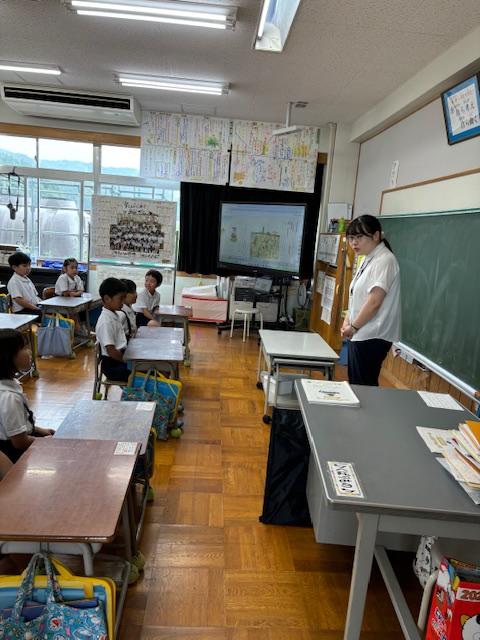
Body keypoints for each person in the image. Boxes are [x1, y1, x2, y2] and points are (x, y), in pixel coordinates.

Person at [341, 214, 401, 386]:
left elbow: (374, 302)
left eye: (359, 237)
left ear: (376, 235)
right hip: (360, 332)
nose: (354, 243)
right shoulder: (368, 257)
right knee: (358, 385)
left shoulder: (385, 260)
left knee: (363, 387)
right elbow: (357, 295)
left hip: (372, 335)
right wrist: (347, 320)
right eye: (351, 238)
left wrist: (353, 326)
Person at [0, 329, 55, 462]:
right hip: (14, 455)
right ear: (8, 356)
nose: (29, 351)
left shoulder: (8, 385)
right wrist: (44, 443)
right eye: (24, 348)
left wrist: (38, 430)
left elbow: (14, 426)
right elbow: (20, 442)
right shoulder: (9, 397)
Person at [95, 277, 130, 382]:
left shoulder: (114, 314)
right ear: (107, 299)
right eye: (120, 299)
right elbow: (111, 351)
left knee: (146, 366)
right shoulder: (105, 321)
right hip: (113, 366)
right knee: (146, 371)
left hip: (117, 359)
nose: (123, 302)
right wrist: (127, 361)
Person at [7, 252, 42, 320]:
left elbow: (35, 296)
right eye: (25, 266)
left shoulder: (27, 279)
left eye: (29, 265)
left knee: (51, 311)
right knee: (46, 315)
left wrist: (43, 304)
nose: (28, 268)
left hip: (32, 308)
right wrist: (36, 308)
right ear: (14, 267)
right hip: (22, 312)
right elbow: (19, 300)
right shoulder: (14, 282)